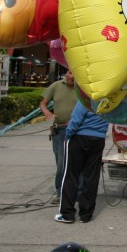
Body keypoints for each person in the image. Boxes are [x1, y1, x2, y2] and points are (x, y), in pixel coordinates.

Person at [54, 102, 107, 224]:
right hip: (98, 139)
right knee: (92, 176)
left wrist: (68, 135)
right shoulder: (108, 99)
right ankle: (86, 215)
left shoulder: (86, 98)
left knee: (70, 175)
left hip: (79, 137)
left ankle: (67, 214)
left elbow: (76, 119)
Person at [40, 70, 78, 204]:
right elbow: (43, 103)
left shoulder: (82, 88)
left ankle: (77, 192)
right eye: (69, 73)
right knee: (61, 163)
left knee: (76, 162)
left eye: (74, 74)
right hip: (59, 130)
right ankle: (60, 192)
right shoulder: (56, 86)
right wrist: (46, 112)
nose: (71, 77)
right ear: (66, 74)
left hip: (77, 131)